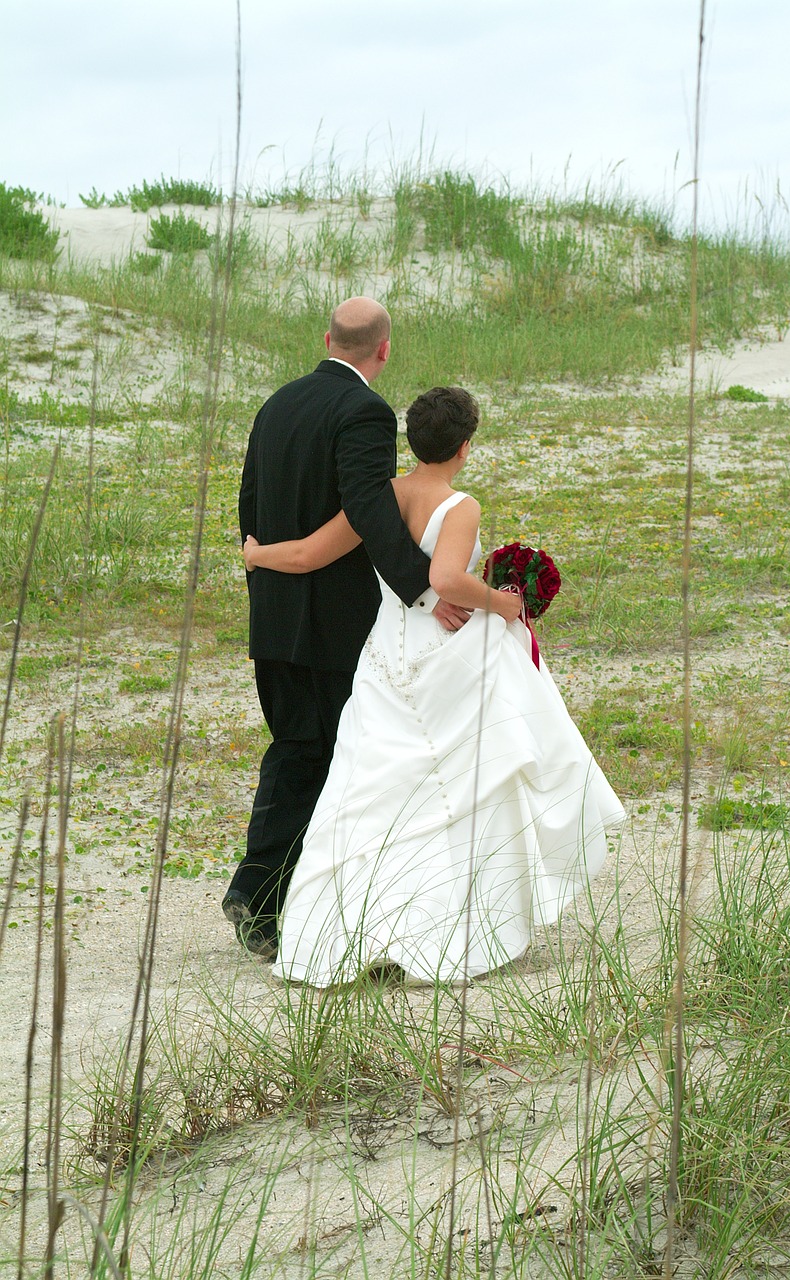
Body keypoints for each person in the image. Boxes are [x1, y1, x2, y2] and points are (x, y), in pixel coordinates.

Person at [243, 386, 626, 985]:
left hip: (384, 657)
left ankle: (347, 927)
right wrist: (502, 602)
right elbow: (447, 578)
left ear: (411, 442)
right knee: (460, 781)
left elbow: (314, 553)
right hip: (443, 653)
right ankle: (446, 926)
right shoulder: (460, 505)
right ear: (465, 447)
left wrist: (260, 555)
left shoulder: (382, 494)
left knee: (372, 781)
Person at [223, 299, 469, 958]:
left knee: (302, 750)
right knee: (319, 755)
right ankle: (259, 893)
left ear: (328, 339)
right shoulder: (363, 412)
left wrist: (262, 586)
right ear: (383, 350)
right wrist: (424, 587)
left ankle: (279, 896)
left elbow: (248, 504)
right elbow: (366, 505)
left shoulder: (275, 405)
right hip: (330, 625)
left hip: (274, 615)